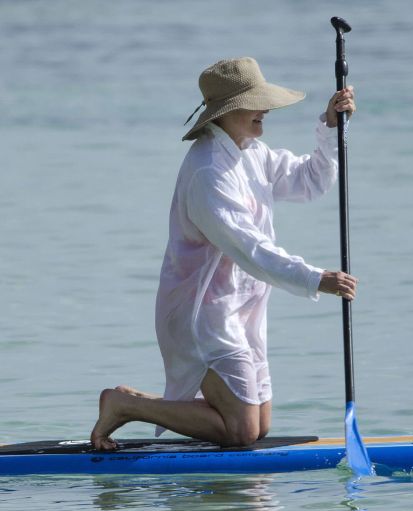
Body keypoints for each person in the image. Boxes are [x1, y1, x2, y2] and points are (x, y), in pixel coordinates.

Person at [91, 57, 357, 450]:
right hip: (201, 314)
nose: (265, 109)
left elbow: (309, 181)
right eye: (256, 103)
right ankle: (123, 406)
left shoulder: (251, 152)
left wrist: (330, 129)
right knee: (241, 431)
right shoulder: (208, 173)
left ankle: (136, 402)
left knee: (258, 426)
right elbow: (249, 248)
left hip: (240, 309)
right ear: (228, 111)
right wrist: (315, 278)